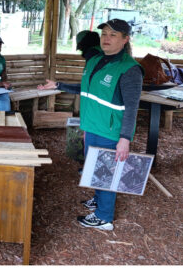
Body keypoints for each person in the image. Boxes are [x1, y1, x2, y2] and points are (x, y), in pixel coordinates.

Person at [38, 18, 142, 230]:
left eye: (113, 35)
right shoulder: (96, 60)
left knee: (105, 172)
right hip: (92, 126)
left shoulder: (130, 69)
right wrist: (58, 85)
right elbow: (86, 89)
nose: (107, 38)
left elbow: (132, 108)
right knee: (95, 168)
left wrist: (125, 139)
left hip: (110, 131)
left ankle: (104, 217)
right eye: (104, 34)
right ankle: (99, 199)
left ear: (125, 40)